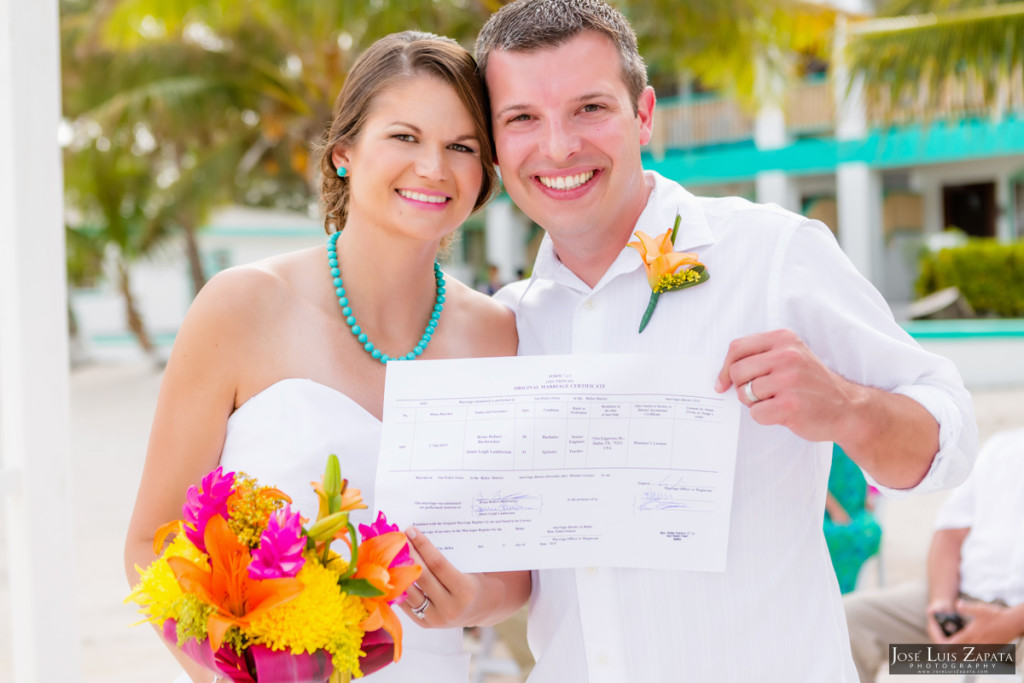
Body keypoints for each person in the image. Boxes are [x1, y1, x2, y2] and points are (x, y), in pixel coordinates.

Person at [455, 0, 978, 679]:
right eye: (522, 117)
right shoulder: (510, 325)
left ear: (644, 115)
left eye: (590, 108)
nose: (557, 146)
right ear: (494, 144)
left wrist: (848, 407)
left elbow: (954, 436)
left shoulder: (771, 253)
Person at [123, 31, 529, 683]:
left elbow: (520, 571)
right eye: (405, 136)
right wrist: (236, 674)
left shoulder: (501, 336)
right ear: (344, 152)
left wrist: (476, 599)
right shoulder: (241, 307)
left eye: (463, 147)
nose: (434, 167)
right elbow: (152, 542)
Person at [845, 427, 1024, 683]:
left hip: (1017, 632)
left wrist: (1011, 624)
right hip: (962, 610)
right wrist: (940, 606)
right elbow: (949, 535)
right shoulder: (1000, 448)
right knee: (850, 622)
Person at [824, 444, 883, 594]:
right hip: (822, 510)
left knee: (870, 531)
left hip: (855, 508)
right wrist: (836, 511)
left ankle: (849, 591)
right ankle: (833, 592)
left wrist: (867, 499)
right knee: (832, 535)